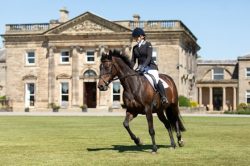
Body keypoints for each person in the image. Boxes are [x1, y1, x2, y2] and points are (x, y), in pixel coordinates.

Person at [130, 27, 168, 104]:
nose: (135, 39)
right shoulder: (135, 48)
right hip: (140, 68)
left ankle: (163, 97)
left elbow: (149, 57)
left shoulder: (148, 44)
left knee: (156, 80)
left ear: (142, 36)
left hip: (151, 67)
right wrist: (129, 69)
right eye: (134, 37)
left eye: (137, 37)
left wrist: (143, 66)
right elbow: (133, 61)